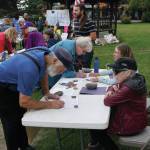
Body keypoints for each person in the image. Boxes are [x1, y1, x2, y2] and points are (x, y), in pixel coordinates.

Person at [0, 47, 73, 150]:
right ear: (55, 60)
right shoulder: (30, 69)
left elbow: (44, 72)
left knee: (21, 115)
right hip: (2, 85)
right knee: (11, 120)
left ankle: (24, 146)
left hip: (13, 79)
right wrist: (50, 105)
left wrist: (47, 93)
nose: (59, 73)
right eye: (60, 70)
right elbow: (24, 102)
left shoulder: (46, 53)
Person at [87, 57, 147, 150]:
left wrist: (110, 94)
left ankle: (107, 146)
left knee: (96, 126)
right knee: (97, 121)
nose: (114, 74)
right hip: (134, 118)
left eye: (116, 71)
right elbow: (114, 85)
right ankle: (97, 144)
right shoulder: (134, 78)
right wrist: (112, 90)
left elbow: (107, 101)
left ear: (128, 72)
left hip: (130, 126)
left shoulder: (128, 88)